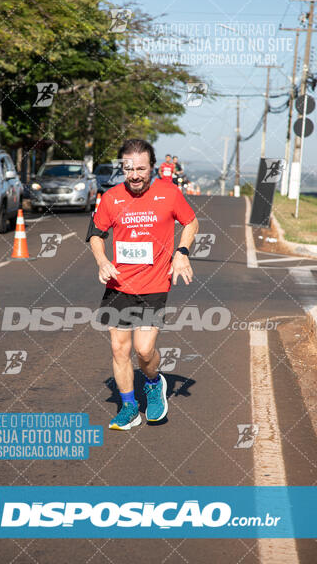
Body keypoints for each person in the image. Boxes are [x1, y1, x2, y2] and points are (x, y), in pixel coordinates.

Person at [86, 139, 199, 430]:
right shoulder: (111, 197)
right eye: (128, 169)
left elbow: (191, 222)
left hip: (154, 284)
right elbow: (96, 233)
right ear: (122, 168)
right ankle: (129, 407)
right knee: (119, 350)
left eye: (140, 168)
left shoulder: (169, 193)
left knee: (144, 350)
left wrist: (181, 252)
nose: (134, 175)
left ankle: (152, 382)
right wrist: (101, 261)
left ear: (152, 167)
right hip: (119, 285)